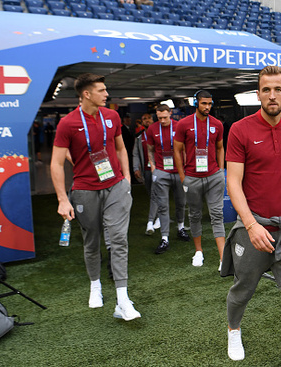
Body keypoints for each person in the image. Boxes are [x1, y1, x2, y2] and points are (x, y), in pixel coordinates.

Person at [222, 65, 281, 365]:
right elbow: (233, 181)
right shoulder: (240, 130)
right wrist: (250, 225)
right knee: (242, 290)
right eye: (266, 89)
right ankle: (234, 329)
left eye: (277, 90)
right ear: (258, 94)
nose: (272, 95)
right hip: (253, 228)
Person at [51, 73, 140, 321]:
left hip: (115, 187)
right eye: (101, 90)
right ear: (87, 94)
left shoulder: (111, 116)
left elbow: (121, 148)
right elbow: (57, 164)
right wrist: (62, 199)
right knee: (91, 241)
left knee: (118, 239)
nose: (106, 94)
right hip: (84, 190)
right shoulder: (67, 124)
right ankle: (95, 286)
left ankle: (122, 299)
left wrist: (126, 181)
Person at [174, 90, 225, 268]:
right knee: (194, 215)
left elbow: (220, 147)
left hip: (213, 176)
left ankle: (222, 258)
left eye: (210, 104)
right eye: (204, 103)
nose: (207, 107)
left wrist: (221, 170)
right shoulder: (184, 124)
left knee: (217, 215)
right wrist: (182, 176)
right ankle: (198, 252)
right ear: (196, 103)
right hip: (192, 178)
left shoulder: (217, 124)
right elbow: (177, 150)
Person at [147, 104, 190, 254]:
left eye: (165, 117)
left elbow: (185, 149)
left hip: (178, 171)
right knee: (163, 206)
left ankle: (180, 228)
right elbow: (150, 149)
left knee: (181, 202)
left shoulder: (179, 126)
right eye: (160, 118)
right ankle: (165, 238)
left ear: (170, 114)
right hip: (162, 172)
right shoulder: (152, 129)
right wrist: (153, 168)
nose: (163, 120)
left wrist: (185, 169)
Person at [132, 112, 161, 235]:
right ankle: (160, 216)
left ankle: (154, 220)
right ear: (142, 122)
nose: (147, 120)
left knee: (156, 194)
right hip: (146, 171)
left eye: (149, 118)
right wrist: (135, 168)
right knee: (152, 195)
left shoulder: (159, 134)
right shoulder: (140, 138)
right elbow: (136, 154)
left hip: (159, 170)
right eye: (144, 119)